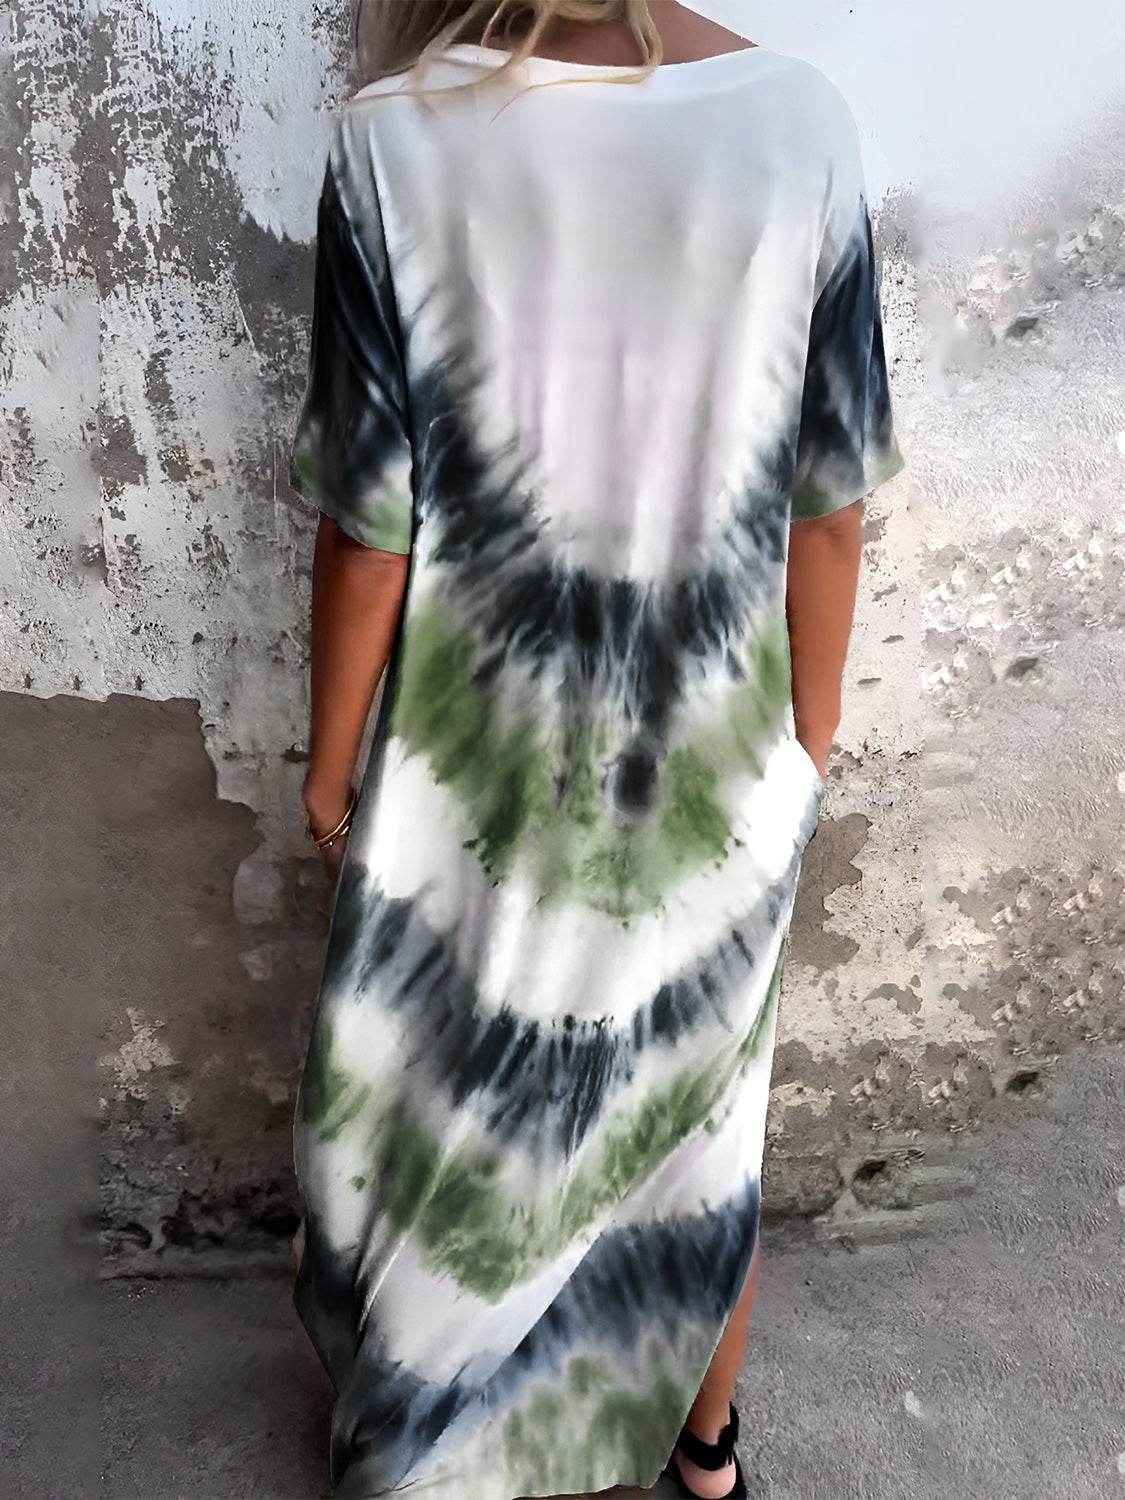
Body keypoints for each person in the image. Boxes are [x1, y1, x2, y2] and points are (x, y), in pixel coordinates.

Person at [289, 2, 904, 1496]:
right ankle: (704, 1454)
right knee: (697, 1126)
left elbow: (370, 530)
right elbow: (830, 504)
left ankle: (427, 1447)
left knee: (453, 1108)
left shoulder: (391, 140)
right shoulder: (803, 124)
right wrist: (808, 736)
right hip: (717, 764)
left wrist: (329, 762)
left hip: (475, 775)